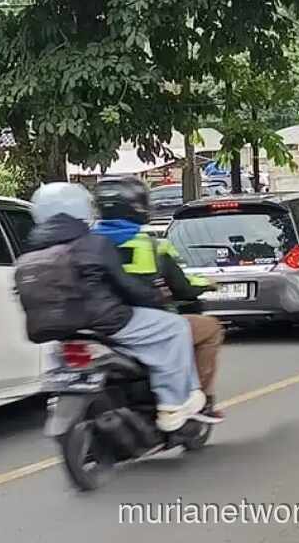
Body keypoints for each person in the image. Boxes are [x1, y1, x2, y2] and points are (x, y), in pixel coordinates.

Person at [20, 182, 206, 432]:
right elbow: (127, 287)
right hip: (108, 322)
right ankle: (172, 405)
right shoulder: (95, 243)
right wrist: (154, 298)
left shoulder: (29, 254)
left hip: (63, 331)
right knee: (176, 328)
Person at [92, 176, 225, 423]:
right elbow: (183, 288)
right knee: (211, 329)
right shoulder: (152, 246)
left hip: (93, 325)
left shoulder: (85, 242)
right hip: (138, 324)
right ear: (138, 207)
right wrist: (206, 284)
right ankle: (197, 401)